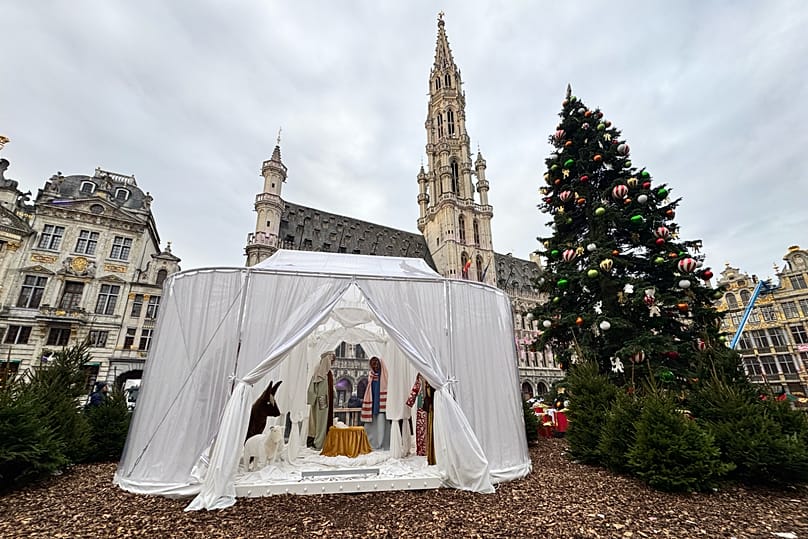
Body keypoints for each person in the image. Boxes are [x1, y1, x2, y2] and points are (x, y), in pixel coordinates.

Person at [361, 356, 391, 450]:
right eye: (373, 364)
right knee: (371, 426)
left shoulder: (384, 377)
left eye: (377, 363)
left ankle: (382, 444)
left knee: (382, 424)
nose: (375, 366)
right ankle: (371, 443)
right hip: (372, 404)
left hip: (380, 406)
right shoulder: (371, 376)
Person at [307, 351, 335, 450]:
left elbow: (332, 387)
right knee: (320, 422)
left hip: (328, 401)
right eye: (330, 359)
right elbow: (312, 388)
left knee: (326, 421)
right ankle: (319, 443)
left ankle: (326, 441)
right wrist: (313, 400)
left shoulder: (329, 373)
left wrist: (333, 395)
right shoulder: (318, 372)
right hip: (321, 401)